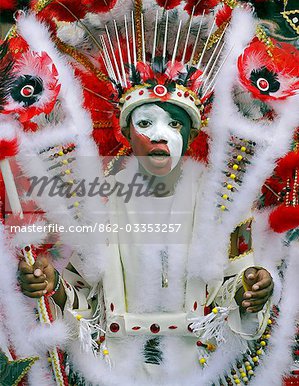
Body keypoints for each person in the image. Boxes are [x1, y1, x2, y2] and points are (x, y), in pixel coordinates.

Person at [18, 90, 274, 384]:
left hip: (199, 368)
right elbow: (85, 306)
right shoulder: (99, 202)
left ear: (192, 135)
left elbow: (237, 289)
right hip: (116, 368)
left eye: (175, 124)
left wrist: (251, 291)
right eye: (146, 123)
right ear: (126, 131)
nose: (159, 136)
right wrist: (53, 286)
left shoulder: (223, 202)